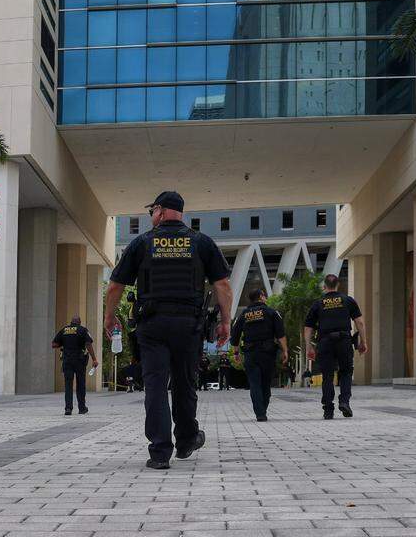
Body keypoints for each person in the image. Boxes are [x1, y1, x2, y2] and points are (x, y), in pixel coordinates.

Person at [104, 190, 233, 470]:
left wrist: (109, 317)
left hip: (152, 325)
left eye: (152, 211)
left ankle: (160, 452)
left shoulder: (142, 243)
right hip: (188, 325)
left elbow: (116, 285)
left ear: (161, 211)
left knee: (155, 386)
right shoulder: (201, 242)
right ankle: (186, 440)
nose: (151, 216)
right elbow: (222, 285)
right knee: (185, 383)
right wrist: (226, 321)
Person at [304, 273, 367, 419]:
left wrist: (309, 347)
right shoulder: (347, 300)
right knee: (346, 371)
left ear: (324, 286)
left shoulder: (318, 303)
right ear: (338, 285)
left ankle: (328, 409)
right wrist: (363, 341)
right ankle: (344, 402)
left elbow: (308, 328)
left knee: (327, 375)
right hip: (344, 340)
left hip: (325, 342)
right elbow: (360, 323)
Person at [231, 289, 288, 421]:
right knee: (265, 383)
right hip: (267, 354)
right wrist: (285, 350)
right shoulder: (271, 312)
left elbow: (235, 336)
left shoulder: (244, 314)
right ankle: (262, 410)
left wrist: (236, 353)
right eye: (264, 296)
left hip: (250, 353)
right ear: (261, 297)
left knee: (254, 383)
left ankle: (260, 413)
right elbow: (280, 334)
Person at [52, 315, 98, 415]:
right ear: (79, 322)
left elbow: (54, 344)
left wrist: (64, 344)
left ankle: (68, 408)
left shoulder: (64, 330)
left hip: (67, 361)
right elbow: (88, 344)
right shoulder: (82, 330)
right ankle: (82, 408)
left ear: (71, 322)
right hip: (79, 361)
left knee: (68, 385)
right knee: (80, 384)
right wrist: (94, 359)